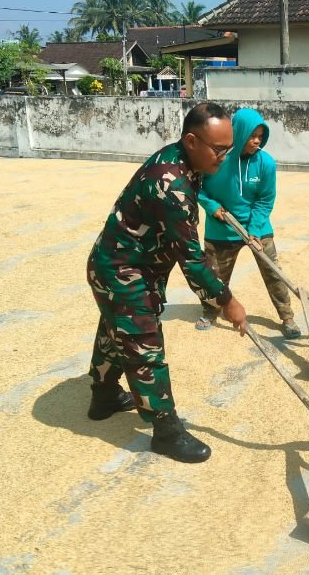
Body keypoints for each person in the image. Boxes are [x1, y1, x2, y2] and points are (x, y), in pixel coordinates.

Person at [85, 102, 247, 464]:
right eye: (219, 150)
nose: (224, 156)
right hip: (121, 271)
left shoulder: (183, 162)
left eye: (229, 149)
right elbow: (192, 260)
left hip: (127, 266)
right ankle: (166, 430)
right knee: (144, 345)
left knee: (116, 332)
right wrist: (227, 300)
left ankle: (104, 396)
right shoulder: (170, 183)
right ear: (191, 140)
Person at [196, 108, 301, 339]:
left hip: (257, 227)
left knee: (273, 273)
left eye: (261, 136)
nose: (257, 141)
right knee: (214, 275)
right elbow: (196, 187)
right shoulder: (217, 158)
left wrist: (254, 231)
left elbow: (265, 200)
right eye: (252, 136)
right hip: (222, 226)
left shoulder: (266, 163)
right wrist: (211, 206)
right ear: (239, 132)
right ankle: (210, 310)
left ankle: (287, 316)